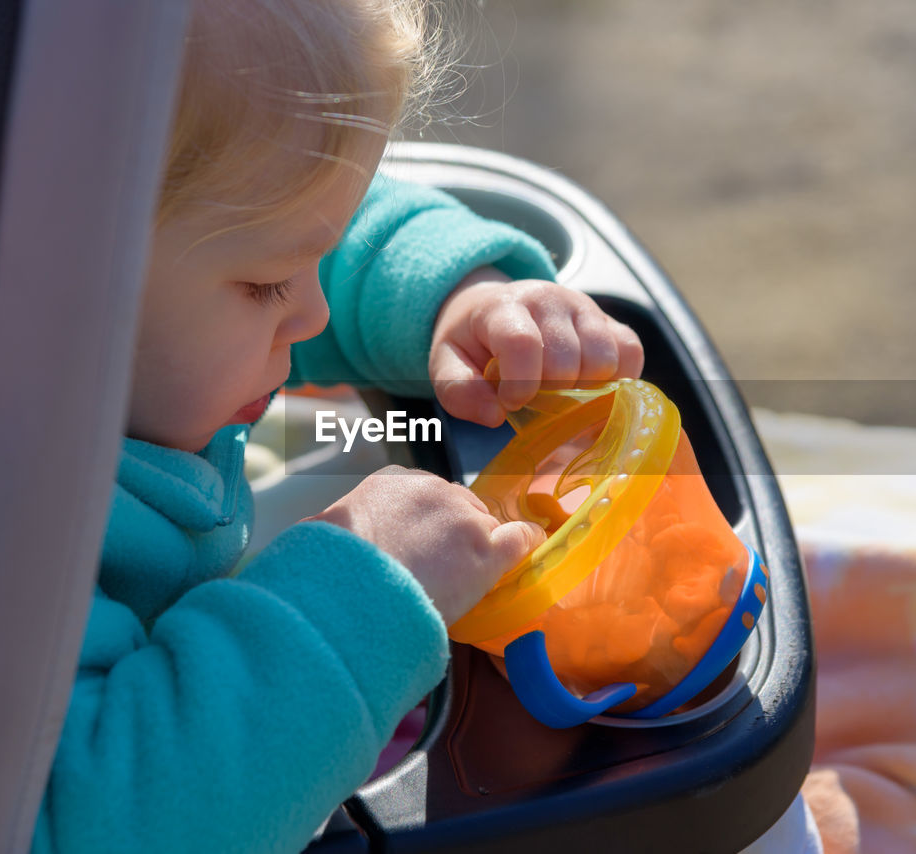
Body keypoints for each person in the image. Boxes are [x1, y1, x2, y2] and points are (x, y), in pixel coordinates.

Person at [36, 1, 643, 852]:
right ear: (32, 267)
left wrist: (458, 298)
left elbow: (320, 217)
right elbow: (98, 821)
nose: (315, 313)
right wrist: (359, 589)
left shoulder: (44, 340)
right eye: (266, 286)